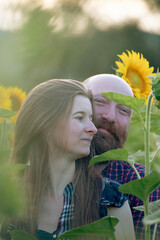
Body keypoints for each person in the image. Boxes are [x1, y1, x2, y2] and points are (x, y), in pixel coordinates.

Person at [1, 79, 135, 240]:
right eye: (80, 118)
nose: (92, 128)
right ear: (45, 123)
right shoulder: (9, 197)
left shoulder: (110, 202)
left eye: (91, 118)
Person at [84, 73, 160, 239]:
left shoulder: (145, 184)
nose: (110, 116)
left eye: (124, 110)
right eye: (100, 101)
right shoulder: (40, 175)